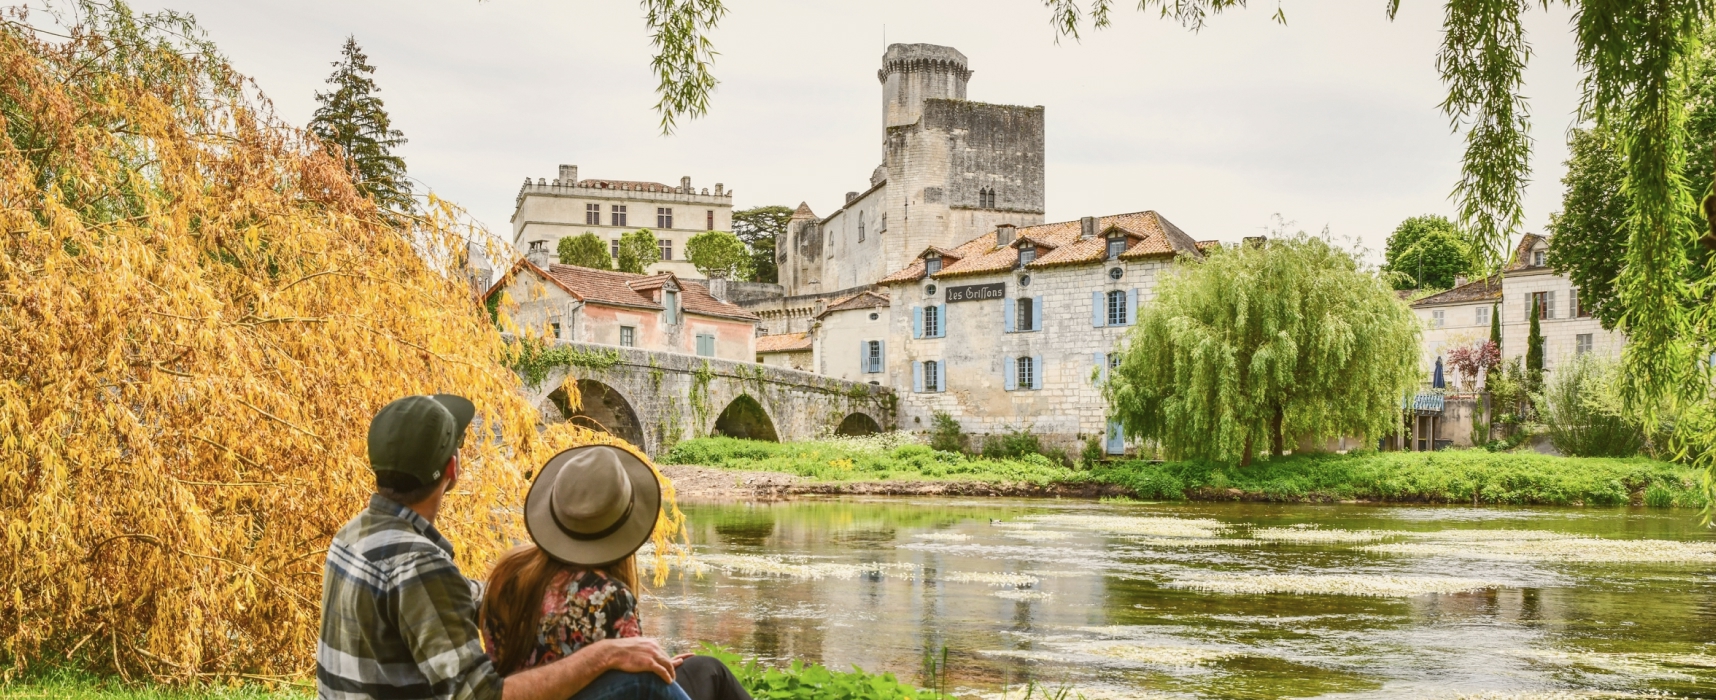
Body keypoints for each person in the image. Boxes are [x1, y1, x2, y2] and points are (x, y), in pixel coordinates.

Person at [319, 395, 686, 700]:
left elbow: (454, 598)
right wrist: (604, 654)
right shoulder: (418, 564)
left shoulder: (353, 536)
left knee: (694, 673)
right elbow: (482, 697)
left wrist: (528, 580)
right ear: (453, 468)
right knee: (650, 684)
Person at [480, 445, 753, 700]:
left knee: (704, 667)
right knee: (713, 675)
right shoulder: (606, 594)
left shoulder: (509, 572)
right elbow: (636, 679)